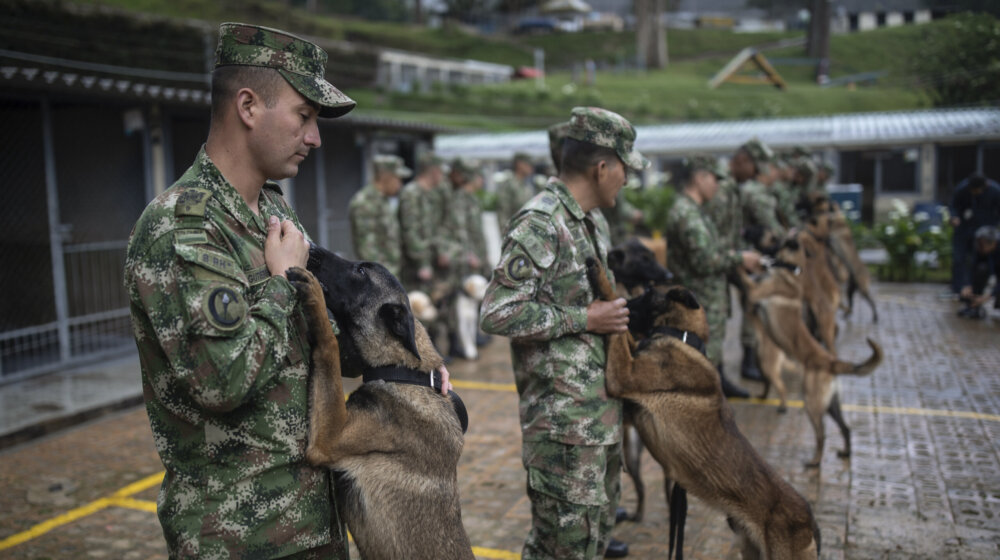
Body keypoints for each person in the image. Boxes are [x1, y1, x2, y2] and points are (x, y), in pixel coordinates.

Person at [125, 23, 447, 559]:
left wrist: (414, 365)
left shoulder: (274, 210)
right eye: (304, 116)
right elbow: (222, 383)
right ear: (248, 106)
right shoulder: (183, 229)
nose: (315, 137)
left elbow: (327, 339)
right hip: (243, 537)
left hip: (317, 522)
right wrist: (280, 284)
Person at [480, 107, 648, 559]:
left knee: (591, 543)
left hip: (597, 418)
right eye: (625, 169)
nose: (627, 180)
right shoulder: (541, 222)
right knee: (560, 550)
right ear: (602, 168)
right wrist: (585, 318)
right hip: (563, 430)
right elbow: (497, 313)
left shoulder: (590, 221)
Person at [667, 155, 761, 399]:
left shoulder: (696, 211)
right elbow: (705, 260)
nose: (717, 186)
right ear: (700, 178)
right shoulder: (687, 214)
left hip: (707, 300)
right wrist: (740, 259)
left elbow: (714, 248)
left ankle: (717, 384)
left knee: (712, 354)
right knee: (700, 360)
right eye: (714, 180)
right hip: (699, 301)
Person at [730, 138, 784, 383]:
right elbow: (770, 225)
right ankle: (750, 360)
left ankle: (752, 359)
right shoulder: (753, 191)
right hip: (748, 257)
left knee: (751, 305)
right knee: (753, 305)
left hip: (742, 254)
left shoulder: (741, 188)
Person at [348, 154, 411, 278]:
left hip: (392, 273)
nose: (400, 185)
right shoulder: (365, 202)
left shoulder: (384, 200)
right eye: (398, 179)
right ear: (385, 177)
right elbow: (368, 250)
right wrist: (384, 279)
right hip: (380, 278)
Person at [949, 173, 1000, 294]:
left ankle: (976, 289)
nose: (973, 193)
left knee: (978, 261)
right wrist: (954, 217)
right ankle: (959, 288)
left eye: (976, 191)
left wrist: (994, 227)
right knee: (959, 258)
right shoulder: (963, 188)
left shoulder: (995, 191)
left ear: (984, 186)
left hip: (984, 232)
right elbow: (953, 205)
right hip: (964, 228)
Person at [957, 225, 1000, 318]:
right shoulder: (980, 249)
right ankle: (974, 305)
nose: (979, 246)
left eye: (982, 244)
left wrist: (987, 297)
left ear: (993, 243)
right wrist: (968, 285)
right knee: (981, 269)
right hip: (992, 269)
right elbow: (972, 267)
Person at [496, 152, 538, 234]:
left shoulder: (526, 185)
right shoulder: (509, 185)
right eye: (528, 164)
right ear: (519, 164)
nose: (531, 168)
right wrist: (506, 236)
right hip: (513, 235)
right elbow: (503, 213)